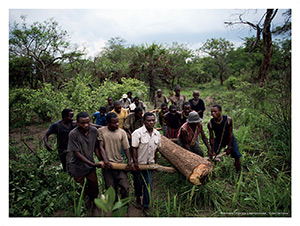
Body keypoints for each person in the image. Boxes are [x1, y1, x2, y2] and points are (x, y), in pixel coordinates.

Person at [67, 112, 102, 211]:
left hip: (90, 165)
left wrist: (101, 160)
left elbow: (95, 147)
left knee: (94, 185)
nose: (86, 125)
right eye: (83, 123)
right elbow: (77, 153)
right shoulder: (73, 134)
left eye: (88, 122)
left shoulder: (94, 131)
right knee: (82, 186)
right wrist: (92, 163)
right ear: (77, 123)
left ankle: (94, 203)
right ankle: (87, 201)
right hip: (77, 165)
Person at [97, 112, 133, 201]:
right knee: (111, 189)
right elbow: (101, 147)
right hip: (107, 165)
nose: (117, 124)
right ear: (108, 123)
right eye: (114, 122)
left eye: (117, 122)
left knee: (125, 186)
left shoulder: (122, 132)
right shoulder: (101, 131)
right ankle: (115, 207)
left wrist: (129, 161)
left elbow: (126, 148)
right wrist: (105, 161)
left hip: (119, 164)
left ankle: (124, 205)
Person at [131, 112, 161, 211]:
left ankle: (146, 206)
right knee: (138, 184)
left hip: (150, 165)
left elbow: (156, 150)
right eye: (149, 121)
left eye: (153, 120)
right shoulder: (137, 133)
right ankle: (138, 198)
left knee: (148, 185)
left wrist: (155, 163)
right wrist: (135, 164)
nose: (151, 122)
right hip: (139, 164)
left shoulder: (157, 134)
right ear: (143, 122)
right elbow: (134, 149)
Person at [207, 105, 242, 171]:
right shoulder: (210, 123)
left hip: (229, 139)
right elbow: (211, 137)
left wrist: (229, 147)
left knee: (237, 155)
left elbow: (230, 134)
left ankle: (239, 172)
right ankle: (212, 171)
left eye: (215, 111)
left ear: (220, 111)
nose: (212, 113)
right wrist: (213, 150)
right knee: (212, 156)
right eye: (211, 112)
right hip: (218, 139)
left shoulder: (228, 120)